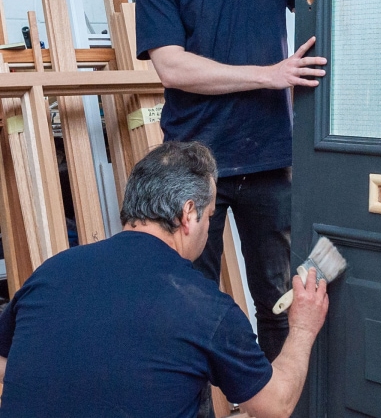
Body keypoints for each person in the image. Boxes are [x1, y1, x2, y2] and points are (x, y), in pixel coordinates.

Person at [135, 0, 327, 365]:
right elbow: (172, 66)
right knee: (190, 304)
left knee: (279, 298)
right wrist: (269, 75)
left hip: (270, 158)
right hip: (196, 166)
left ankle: (280, 402)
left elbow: (321, 1)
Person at [0, 142, 329, 418]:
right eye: (211, 215)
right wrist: (303, 327)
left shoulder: (52, 271)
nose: (210, 225)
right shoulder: (204, 307)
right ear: (188, 214)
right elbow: (275, 404)